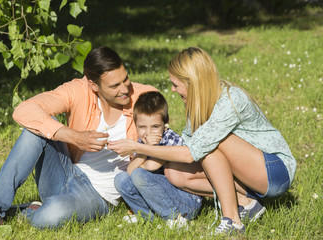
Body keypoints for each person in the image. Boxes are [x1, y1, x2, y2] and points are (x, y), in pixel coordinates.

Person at [108, 47, 297, 235]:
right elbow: (185, 148)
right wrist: (146, 153)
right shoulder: (197, 104)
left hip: (274, 172)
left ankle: (233, 221)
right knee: (175, 172)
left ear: (192, 82)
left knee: (208, 145)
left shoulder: (230, 100)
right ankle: (246, 203)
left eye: (176, 84)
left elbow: (191, 152)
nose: (172, 89)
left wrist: (136, 146)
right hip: (248, 175)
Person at [0, 46, 157, 229]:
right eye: (115, 85)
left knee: (46, 219)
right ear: (93, 85)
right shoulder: (79, 90)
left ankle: (33, 210)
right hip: (67, 172)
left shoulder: (145, 97)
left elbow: (162, 145)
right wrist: (74, 136)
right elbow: (23, 110)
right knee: (35, 129)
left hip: (98, 194)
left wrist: (136, 149)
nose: (125, 89)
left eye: (126, 79)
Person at [114, 91, 204, 227]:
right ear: (136, 125)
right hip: (160, 197)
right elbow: (130, 170)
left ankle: (175, 218)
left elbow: (151, 166)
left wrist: (143, 150)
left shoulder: (171, 139)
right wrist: (143, 148)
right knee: (121, 179)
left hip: (185, 201)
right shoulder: (143, 142)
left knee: (139, 174)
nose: (148, 132)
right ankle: (146, 216)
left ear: (165, 123)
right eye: (142, 127)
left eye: (155, 127)